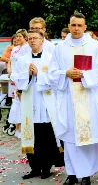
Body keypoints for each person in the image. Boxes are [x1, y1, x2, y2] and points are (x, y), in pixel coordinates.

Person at [48, 13, 98, 185]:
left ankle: (86, 175)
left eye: (79, 25)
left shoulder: (95, 47)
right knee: (70, 138)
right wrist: (65, 73)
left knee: (86, 138)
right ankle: (72, 174)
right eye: (73, 25)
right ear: (69, 25)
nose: (76, 29)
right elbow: (52, 74)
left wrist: (84, 74)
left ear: (85, 26)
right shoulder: (59, 48)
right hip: (68, 98)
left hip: (88, 98)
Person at [11, 30, 64, 180]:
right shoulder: (22, 59)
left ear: (42, 41)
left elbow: (55, 80)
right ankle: (34, 168)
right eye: (30, 39)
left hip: (45, 103)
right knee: (31, 136)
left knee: (45, 137)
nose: (32, 41)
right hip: (30, 103)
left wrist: (39, 74)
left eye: (36, 38)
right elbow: (16, 77)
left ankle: (46, 167)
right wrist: (27, 75)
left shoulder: (50, 59)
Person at [8, 29, 29, 139]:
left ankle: (23, 127)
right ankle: (17, 126)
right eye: (16, 37)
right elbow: (10, 61)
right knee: (15, 101)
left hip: (21, 77)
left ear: (25, 37)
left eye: (20, 36)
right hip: (13, 77)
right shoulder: (15, 49)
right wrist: (9, 70)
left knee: (21, 101)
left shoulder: (27, 49)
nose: (17, 39)